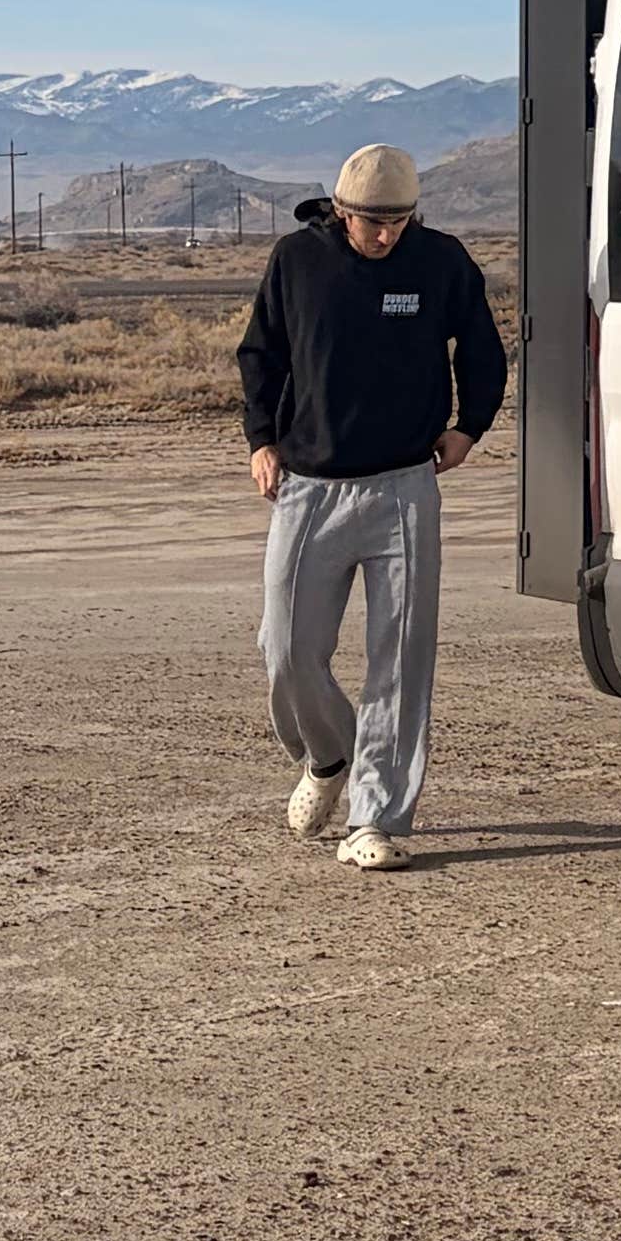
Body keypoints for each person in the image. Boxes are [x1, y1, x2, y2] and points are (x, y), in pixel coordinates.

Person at [237, 141, 505, 868]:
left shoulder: (441, 262)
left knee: (400, 659)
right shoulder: (299, 261)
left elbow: (483, 348)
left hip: (404, 490)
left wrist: (469, 427)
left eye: (398, 222)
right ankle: (328, 756)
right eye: (370, 222)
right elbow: (260, 355)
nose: (385, 236)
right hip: (310, 488)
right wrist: (262, 440)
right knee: (286, 650)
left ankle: (375, 819)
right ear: (341, 211)